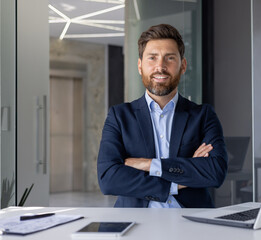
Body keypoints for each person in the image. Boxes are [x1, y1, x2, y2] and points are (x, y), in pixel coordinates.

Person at [97, 24, 227, 208]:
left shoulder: (203, 115)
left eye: (170, 58)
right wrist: (184, 174)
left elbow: (215, 172)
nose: (160, 66)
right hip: (136, 221)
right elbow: (108, 179)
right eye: (152, 58)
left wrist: (149, 164)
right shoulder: (119, 116)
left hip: (192, 221)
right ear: (140, 66)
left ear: (182, 66)